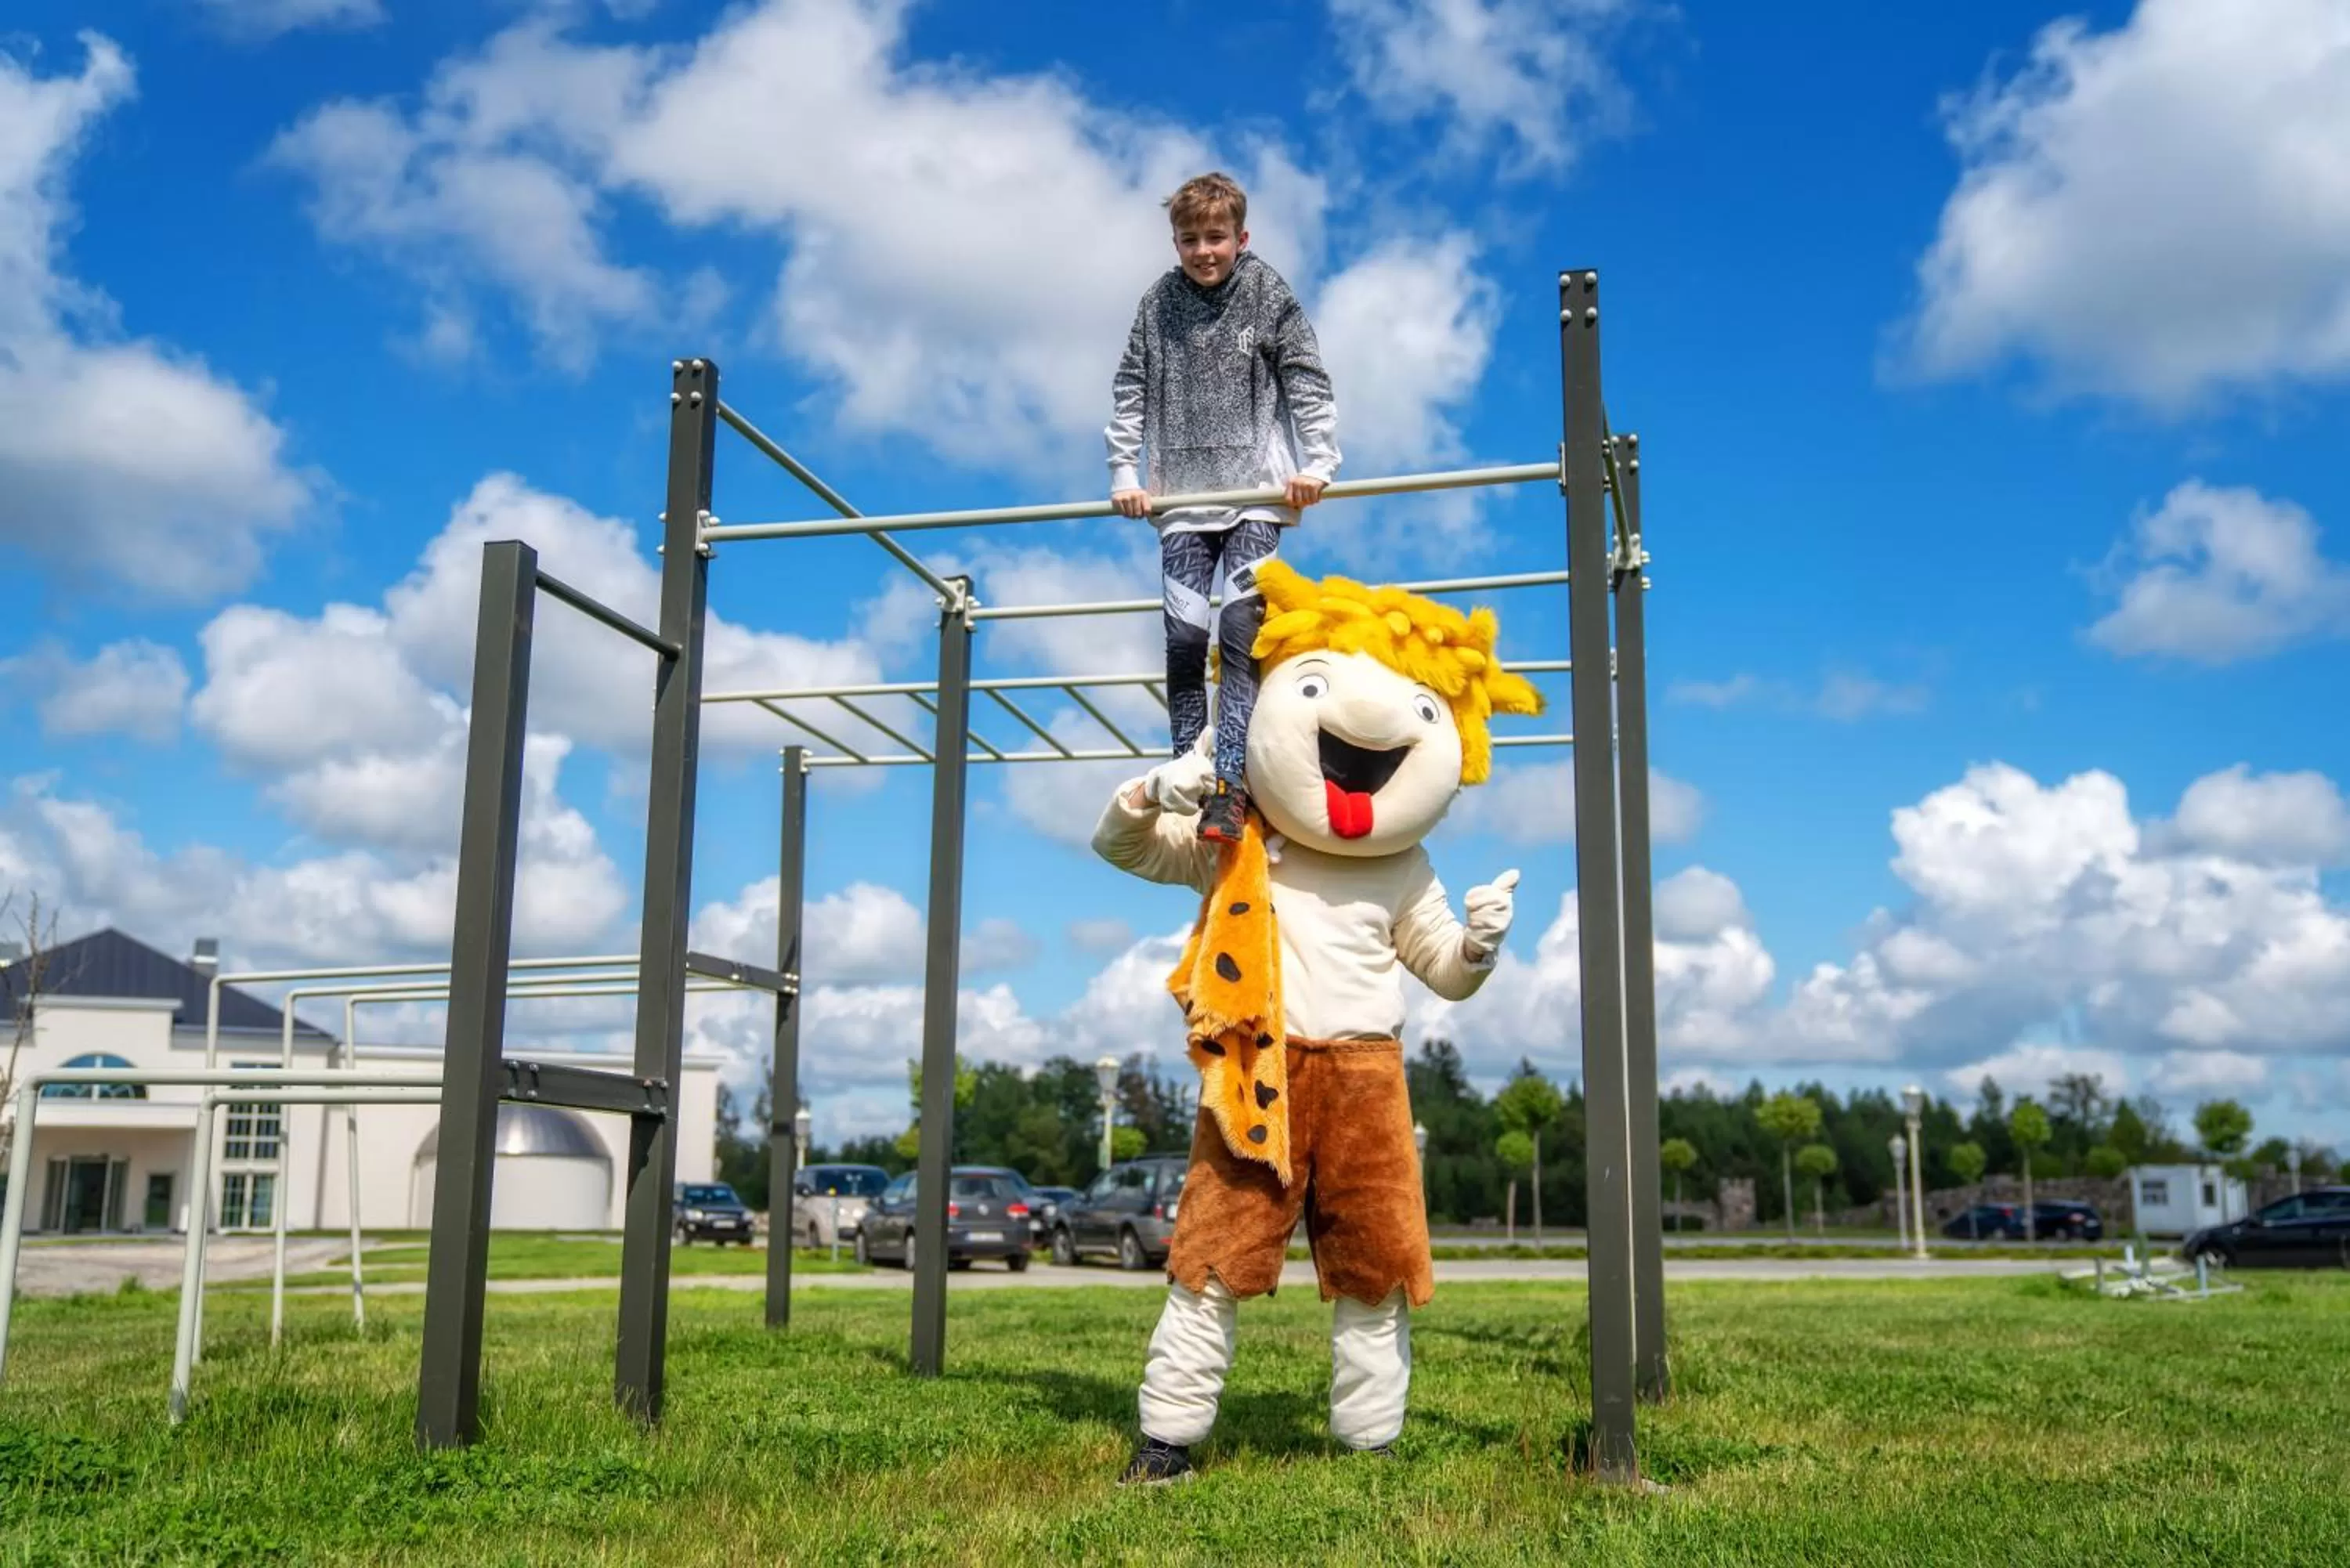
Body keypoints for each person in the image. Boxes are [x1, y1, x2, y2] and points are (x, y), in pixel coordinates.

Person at [1106, 171, 1341, 844]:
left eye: (1216, 238)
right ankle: (1191, 770)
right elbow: (1129, 387)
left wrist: (1316, 465)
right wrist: (1126, 471)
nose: (1203, 251)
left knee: (1238, 639)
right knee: (1184, 641)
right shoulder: (1158, 304)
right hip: (1181, 499)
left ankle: (1231, 787)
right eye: (1189, 240)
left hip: (1254, 499)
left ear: (1241, 237)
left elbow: (1306, 378)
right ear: (1175, 242)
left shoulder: (1267, 292)